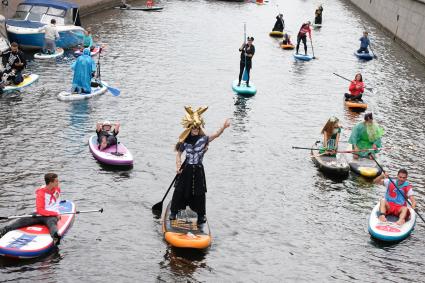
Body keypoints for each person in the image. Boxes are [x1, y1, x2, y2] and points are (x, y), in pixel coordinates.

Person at [169, 106, 230, 225]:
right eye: (194, 128)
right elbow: (178, 155)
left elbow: (216, 135)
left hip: (198, 169)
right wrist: (178, 167)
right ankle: (174, 212)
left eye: (197, 128)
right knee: (180, 190)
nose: (196, 130)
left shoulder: (204, 139)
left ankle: (201, 215)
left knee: (200, 192)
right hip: (186, 169)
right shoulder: (184, 141)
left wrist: (223, 127)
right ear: (190, 129)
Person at [0, 173, 62, 245]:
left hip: (51, 217)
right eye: (56, 181)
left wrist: (55, 213)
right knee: (23, 220)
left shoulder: (57, 189)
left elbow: (56, 201)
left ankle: (55, 236)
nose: (58, 182)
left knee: (52, 223)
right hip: (41, 214)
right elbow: (40, 210)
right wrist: (55, 213)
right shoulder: (41, 193)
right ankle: (4, 230)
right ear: (51, 183)